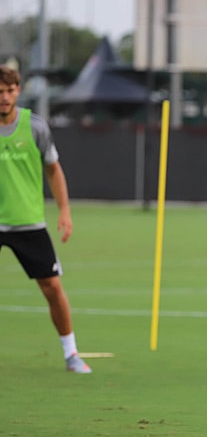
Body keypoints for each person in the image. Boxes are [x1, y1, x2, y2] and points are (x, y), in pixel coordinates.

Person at [0, 65, 91, 374]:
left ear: (18, 91)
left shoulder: (35, 126)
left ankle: (71, 354)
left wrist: (64, 211)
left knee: (52, 287)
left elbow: (53, 169)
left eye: (9, 91)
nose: (4, 97)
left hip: (28, 222)